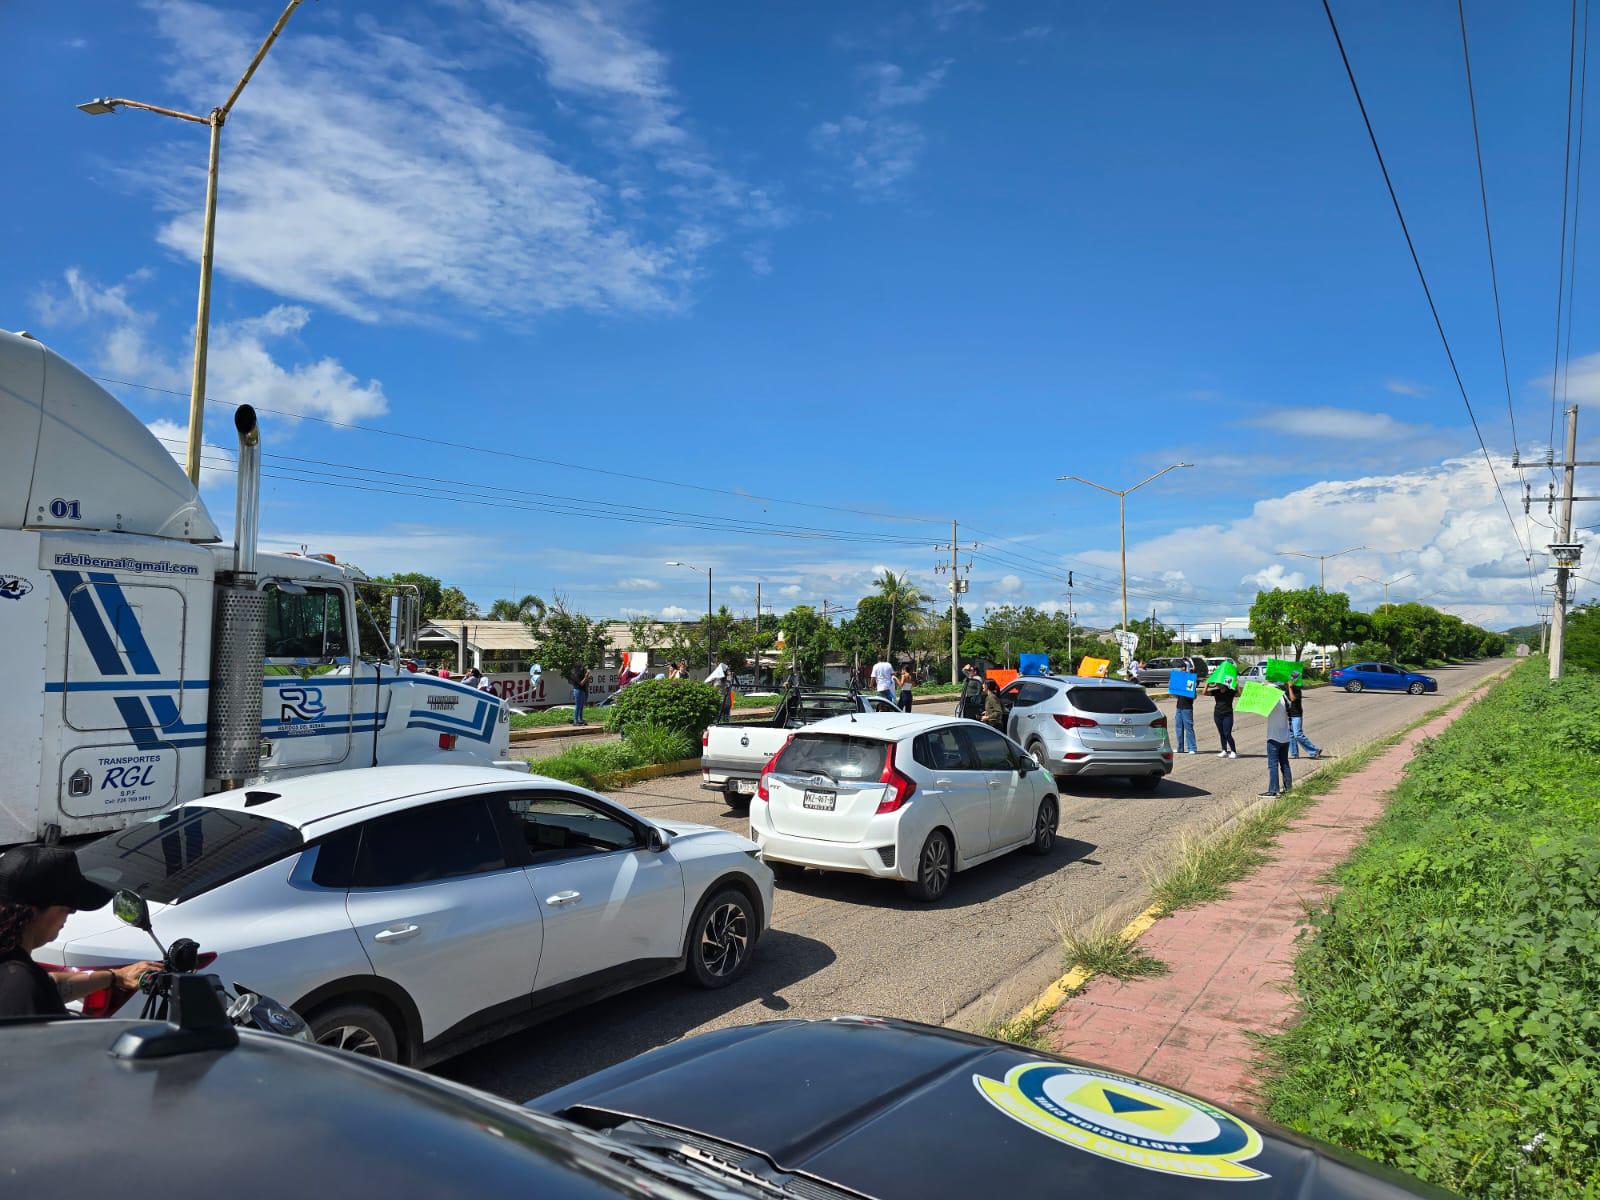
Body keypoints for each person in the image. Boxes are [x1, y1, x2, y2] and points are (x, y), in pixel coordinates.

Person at [0, 846, 160, 1019]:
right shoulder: (21, 986)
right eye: (68, 905)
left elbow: (49, 985)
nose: (73, 912)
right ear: (31, 911)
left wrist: (116, 977)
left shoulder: (14, 970)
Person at [1262, 691, 1292, 798]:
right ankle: (1288, 788)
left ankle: (1273, 790)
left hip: (1274, 737)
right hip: (1285, 737)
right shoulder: (1284, 696)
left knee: (1273, 764)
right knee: (1284, 763)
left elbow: (1263, 707)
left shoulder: (1270, 695)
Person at [1285, 673, 1322, 760]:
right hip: (1288, 715)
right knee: (1291, 735)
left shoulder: (1297, 689)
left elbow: (1292, 699)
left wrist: (1290, 688)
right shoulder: (1285, 688)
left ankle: (1315, 750)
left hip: (1296, 714)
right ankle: (1294, 753)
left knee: (1298, 734)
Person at [1208, 672, 1239, 759]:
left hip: (1227, 715)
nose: (1217, 684)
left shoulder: (1230, 691)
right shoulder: (1216, 691)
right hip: (1217, 714)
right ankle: (1224, 750)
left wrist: (1236, 684)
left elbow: (1239, 694)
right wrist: (1207, 683)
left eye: (1218, 682)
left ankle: (1233, 751)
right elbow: (1204, 693)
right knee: (1221, 733)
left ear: (1223, 683)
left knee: (1227, 733)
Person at [1171, 655, 1198, 755]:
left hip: (1187, 707)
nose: (1181, 669)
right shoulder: (1179, 679)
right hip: (1179, 706)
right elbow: (1176, 695)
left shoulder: (1190, 680)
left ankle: (1192, 748)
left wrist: (1189, 692)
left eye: (1183, 667)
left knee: (1188, 728)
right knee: (1178, 728)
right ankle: (1180, 748)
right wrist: (1173, 688)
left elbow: (1194, 696)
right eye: (1180, 667)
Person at [570, 661, 592, 726]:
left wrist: (586, 676)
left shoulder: (579, 673)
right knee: (578, 706)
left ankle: (580, 719)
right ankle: (575, 720)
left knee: (581, 706)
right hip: (578, 690)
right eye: (582, 667)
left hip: (582, 690)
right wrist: (586, 676)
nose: (583, 668)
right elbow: (581, 683)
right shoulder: (575, 674)